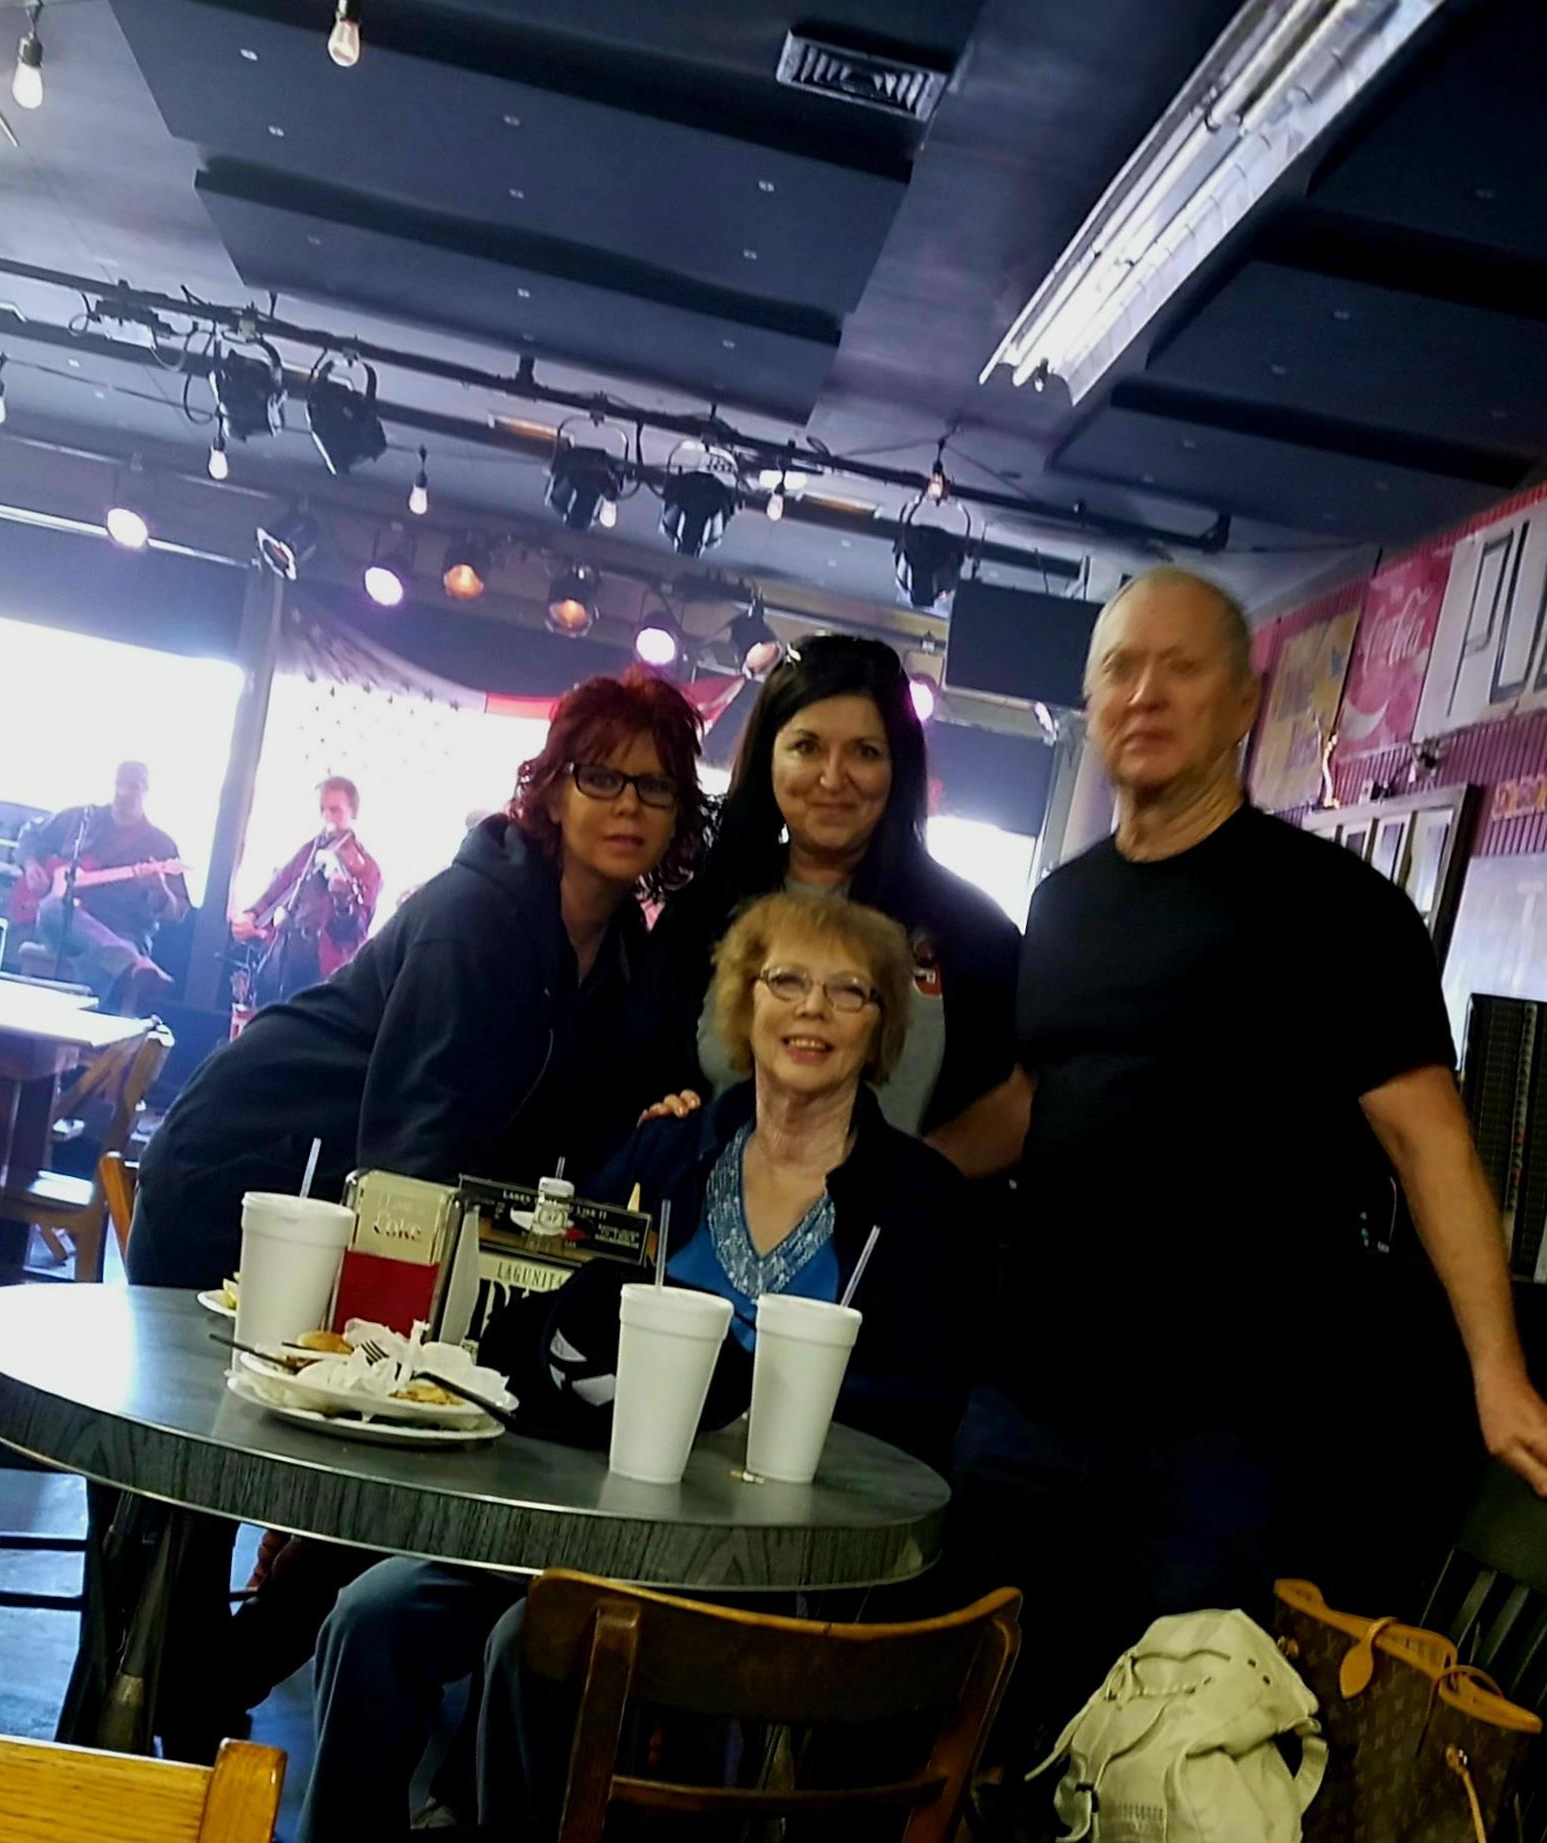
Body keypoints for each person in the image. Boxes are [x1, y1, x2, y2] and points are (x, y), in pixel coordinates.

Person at [948, 564, 1547, 1771]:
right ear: (1089, 700)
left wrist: (1498, 1370)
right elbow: (1030, 1099)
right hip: (1025, 1408)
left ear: (1241, 703)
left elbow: (1427, 1139)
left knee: (1163, 1767)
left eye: (1179, 669)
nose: (1143, 694)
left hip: (1218, 1441)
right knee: (985, 1726)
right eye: (1119, 669)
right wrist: (867, 1165)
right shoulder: (1061, 906)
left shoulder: (1333, 911)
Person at [298, 890, 973, 1843]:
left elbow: (926, 1409)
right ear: (745, 1002)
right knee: (370, 1618)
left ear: (882, 1025)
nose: (812, 1009)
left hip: (763, 1567)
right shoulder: (667, 1148)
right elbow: (554, 1318)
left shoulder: (918, 1200)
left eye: (848, 991)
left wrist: (744, 1394)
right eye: (786, 980)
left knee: (531, 1642)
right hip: (588, 1515)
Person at [129, 668, 709, 1292]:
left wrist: (655, 1122)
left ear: (678, 811)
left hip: (346, 1203)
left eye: (655, 785)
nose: (629, 804)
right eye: (600, 777)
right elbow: (413, 1155)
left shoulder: (624, 955)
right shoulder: (474, 918)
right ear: (552, 794)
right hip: (239, 1174)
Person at [642, 635, 1020, 1154]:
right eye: (807, 747)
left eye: (865, 752)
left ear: (899, 768)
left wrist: (914, 1184)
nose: (833, 778)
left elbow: (1019, 1100)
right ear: (768, 757)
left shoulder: (973, 933)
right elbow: (642, 1082)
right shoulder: (700, 915)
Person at [16, 760, 188, 1010]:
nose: (124, 793)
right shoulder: (81, 820)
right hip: (64, 928)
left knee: (98, 962)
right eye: (120, 784)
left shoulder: (161, 845)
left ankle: (74, 1021)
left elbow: (177, 912)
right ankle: (131, 962)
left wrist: (158, 888)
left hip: (123, 931)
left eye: (133, 786)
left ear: (145, 790)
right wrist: (31, 865)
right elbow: (30, 834)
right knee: (51, 907)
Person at [232, 776, 382, 1004]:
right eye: (323, 810)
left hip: (325, 969)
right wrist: (250, 915)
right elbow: (276, 890)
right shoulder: (309, 851)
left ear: (353, 813)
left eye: (335, 810)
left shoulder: (367, 869)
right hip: (286, 956)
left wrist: (343, 903)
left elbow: (355, 933)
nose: (327, 818)